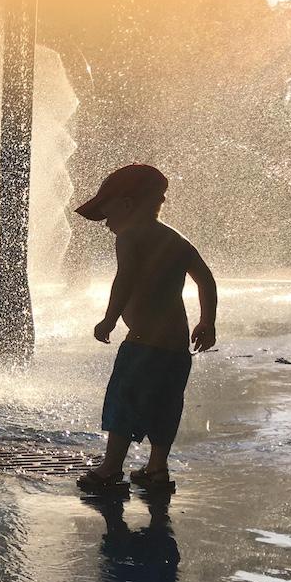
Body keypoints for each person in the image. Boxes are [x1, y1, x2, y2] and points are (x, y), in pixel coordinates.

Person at [73, 164, 218, 493]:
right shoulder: (176, 240)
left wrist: (109, 319)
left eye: (106, 208)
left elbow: (124, 281)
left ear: (127, 204)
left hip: (143, 344)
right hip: (176, 348)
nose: (105, 220)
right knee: (166, 405)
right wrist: (207, 320)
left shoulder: (130, 237)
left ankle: (110, 470)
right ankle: (157, 469)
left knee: (125, 401)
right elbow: (205, 280)